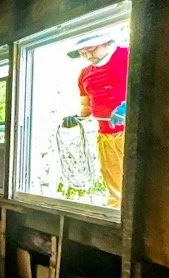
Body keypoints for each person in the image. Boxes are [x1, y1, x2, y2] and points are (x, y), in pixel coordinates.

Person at [62, 33, 129, 208]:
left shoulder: (129, 56)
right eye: (83, 53)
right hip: (105, 135)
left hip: (132, 135)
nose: (88, 56)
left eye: (91, 50)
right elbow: (86, 108)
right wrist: (76, 119)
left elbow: (153, 87)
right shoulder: (85, 74)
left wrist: (129, 107)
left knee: (136, 186)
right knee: (115, 189)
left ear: (108, 42)